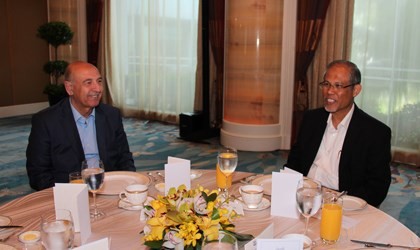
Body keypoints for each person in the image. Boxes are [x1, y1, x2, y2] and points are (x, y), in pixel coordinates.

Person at [285, 60, 391, 207]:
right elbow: (294, 162)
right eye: (326, 84)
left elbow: (377, 187)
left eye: (338, 86)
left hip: (342, 203)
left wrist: (337, 204)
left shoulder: (375, 132)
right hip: (305, 196)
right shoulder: (311, 119)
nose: (329, 91)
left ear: (356, 90)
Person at [26, 61, 136, 190]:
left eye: (99, 81)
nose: (98, 89)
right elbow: (38, 174)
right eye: (88, 83)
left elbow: (124, 157)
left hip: (108, 186)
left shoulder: (111, 115)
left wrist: (129, 185)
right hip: (69, 191)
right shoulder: (46, 121)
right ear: (70, 88)